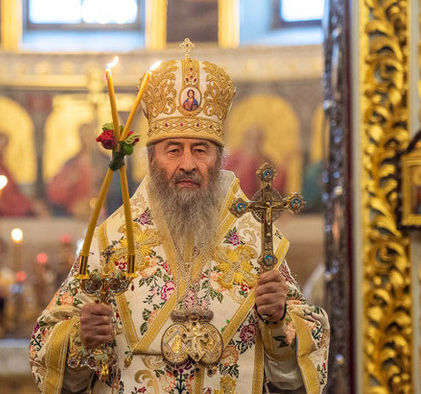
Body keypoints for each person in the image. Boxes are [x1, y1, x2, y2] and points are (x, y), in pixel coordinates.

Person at [30, 53, 329, 393]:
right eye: (173, 150)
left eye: (201, 150)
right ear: (152, 160)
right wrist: (80, 337)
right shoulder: (111, 243)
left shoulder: (255, 241)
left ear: (218, 160)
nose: (188, 163)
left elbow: (304, 364)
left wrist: (278, 320)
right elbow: (45, 349)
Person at [47, 123, 109, 218]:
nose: (86, 140)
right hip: (75, 212)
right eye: (83, 136)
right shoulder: (71, 163)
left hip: (102, 212)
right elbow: (55, 193)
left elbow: (117, 191)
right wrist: (70, 181)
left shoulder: (107, 162)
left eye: (88, 136)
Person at [223, 126, 287, 198]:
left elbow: (273, 186)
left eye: (257, 139)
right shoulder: (234, 157)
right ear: (245, 138)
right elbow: (227, 179)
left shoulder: (265, 159)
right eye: (250, 138)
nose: (253, 142)